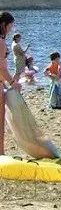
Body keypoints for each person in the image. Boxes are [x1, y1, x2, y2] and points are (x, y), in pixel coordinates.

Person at [0, 11, 20, 154]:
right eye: (10, 27)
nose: (10, 30)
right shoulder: (0, 42)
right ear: (3, 25)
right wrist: (13, 82)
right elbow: (2, 68)